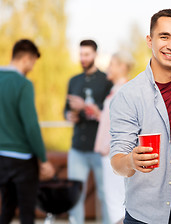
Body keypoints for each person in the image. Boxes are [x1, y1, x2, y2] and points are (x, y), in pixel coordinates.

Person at [109, 9, 171, 224]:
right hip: (147, 213)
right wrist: (131, 160)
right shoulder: (129, 95)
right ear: (150, 40)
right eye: (164, 37)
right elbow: (117, 161)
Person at [0, 39, 55, 224]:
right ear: (26, 58)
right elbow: (31, 126)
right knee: (26, 213)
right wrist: (43, 159)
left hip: (1, 157)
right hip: (22, 160)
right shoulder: (23, 84)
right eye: (32, 62)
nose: (31, 67)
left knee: (6, 209)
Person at [64, 40, 112, 224]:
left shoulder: (106, 81)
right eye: (81, 54)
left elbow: (109, 112)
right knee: (74, 194)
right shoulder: (73, 81)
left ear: (95, 55)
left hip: (100, 149)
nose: (83, 58)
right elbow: (65, 110)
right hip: (77, 147)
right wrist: (69, 115)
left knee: (105, 193)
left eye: (87, 54)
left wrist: (85, 107)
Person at [93, 52, 135, 224]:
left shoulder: (124, 91)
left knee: (115, 201)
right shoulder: (115, 90)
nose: (108, 68)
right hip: (109, 152)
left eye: (112, 64)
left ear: (122, 67)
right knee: (114, 200)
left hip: (114, 153)